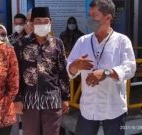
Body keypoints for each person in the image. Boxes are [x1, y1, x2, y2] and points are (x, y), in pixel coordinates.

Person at [67, 0, 136, 135]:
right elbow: (69, 70)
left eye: (95, 15)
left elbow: (130, 68)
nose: (90, 19)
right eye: (89, 15)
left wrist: (106, 72)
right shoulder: (83, 41)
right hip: (88, 108)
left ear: (108, 17)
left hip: (113, 109)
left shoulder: (122, 41)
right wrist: (74, 66)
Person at [14, 7, 70, 135]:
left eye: (45, 21)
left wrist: (65, 97)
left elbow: (63, 72)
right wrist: (16, 99)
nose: (42, 24)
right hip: (29, 102)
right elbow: (15, 73)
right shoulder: (21, 44)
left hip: (52, 101)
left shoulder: (57, 44)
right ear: (32, 23)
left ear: (51, 22)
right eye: (38, 21)